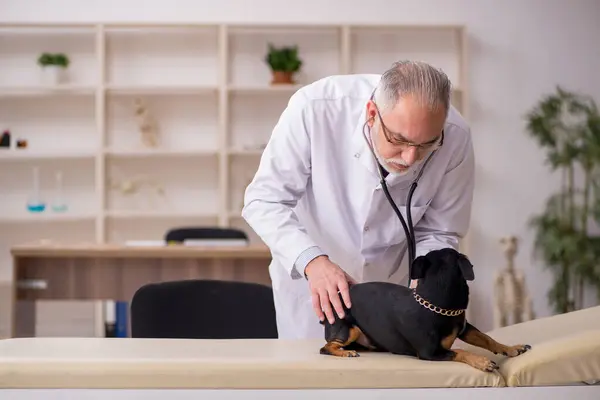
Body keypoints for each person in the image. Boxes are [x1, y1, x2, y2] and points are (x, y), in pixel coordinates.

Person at [242, 60, 475, 339]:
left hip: (393, 298)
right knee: (312, 375)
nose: (410, 157)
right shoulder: (315, 108)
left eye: (426, 145)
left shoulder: (455, 136)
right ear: (372, 113)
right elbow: (264, 201)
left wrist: (426, 288)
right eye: (398, 140)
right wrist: (312, 261)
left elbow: (440, 230)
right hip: (313, 291)